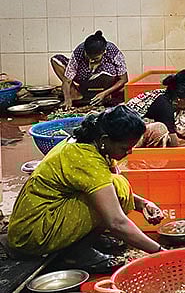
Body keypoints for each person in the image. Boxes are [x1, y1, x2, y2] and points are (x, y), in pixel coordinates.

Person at [8, 106, 166, 270]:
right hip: (32, 233)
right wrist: (160, 252)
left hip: (45, 217)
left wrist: (143, 204)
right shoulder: (85, 157)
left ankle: (84, 241)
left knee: (116, 186)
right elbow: (116, 222)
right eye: (124, 148)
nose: (130, 152)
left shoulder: (93, 143)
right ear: (105, 139)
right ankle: (76, 252)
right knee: (118, 188)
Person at [124, 69, 185, 147]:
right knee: (160, 130)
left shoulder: (169, 98)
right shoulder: (163, 104)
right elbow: (174, 143)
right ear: (181, 96)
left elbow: (180, 132)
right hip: (124, 137)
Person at [51, 31, 128, 110]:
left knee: (111, 73)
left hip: (105, 80)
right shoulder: (80, 50)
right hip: (85, 77)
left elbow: (123, 79)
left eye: (96, 58)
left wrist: (105, 93)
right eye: (88, 57)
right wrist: (67, 98)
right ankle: (75, 94)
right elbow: (67, 79)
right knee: (56, 60)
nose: (91, 61)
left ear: (104, 52)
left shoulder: (112, 51)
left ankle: (107, 95)